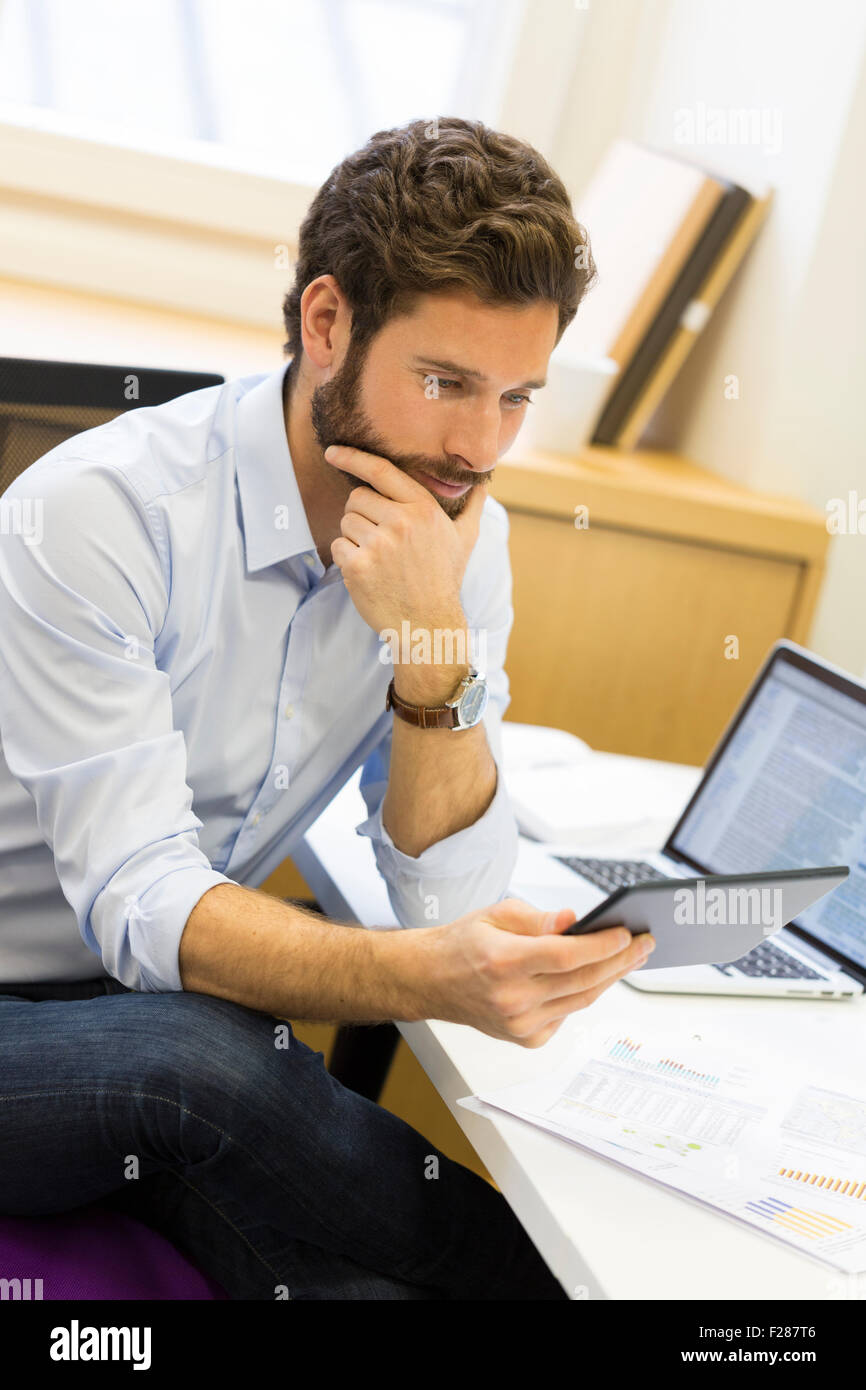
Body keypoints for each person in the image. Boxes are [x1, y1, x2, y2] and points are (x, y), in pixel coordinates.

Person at [0, 117, 655, 1300]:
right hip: (56, 1011)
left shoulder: (459, 535)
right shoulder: (104, 514)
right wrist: (426, 973)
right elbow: (149, 911)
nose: (475, 446)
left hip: (129, 1014)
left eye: (514, 396)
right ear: (324, 324)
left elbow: (443, 898)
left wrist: (429, 655)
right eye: (444, 382)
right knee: (210, 1058)